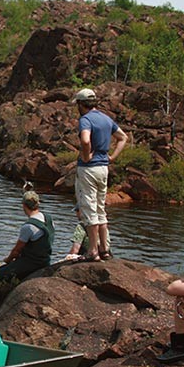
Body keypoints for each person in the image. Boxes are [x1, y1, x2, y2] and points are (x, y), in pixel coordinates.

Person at [0, 191, 54, 326]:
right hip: (45, 260)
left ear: (23, 205)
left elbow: (16, 251)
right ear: (37, 204)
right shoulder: (48, 218)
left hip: (31, 263)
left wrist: (5, 262)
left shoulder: (28, 226)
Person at [72, 88, 127, 261]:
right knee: (100, 208)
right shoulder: (106, 118)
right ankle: (105, 249)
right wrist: (112, 157)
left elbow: (86, 140)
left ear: (81, 104)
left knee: (89, 209)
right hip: (104, 168)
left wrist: (87, 155)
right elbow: (123, 137)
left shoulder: (85, 119)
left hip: (88, 169)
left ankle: (93, 251)